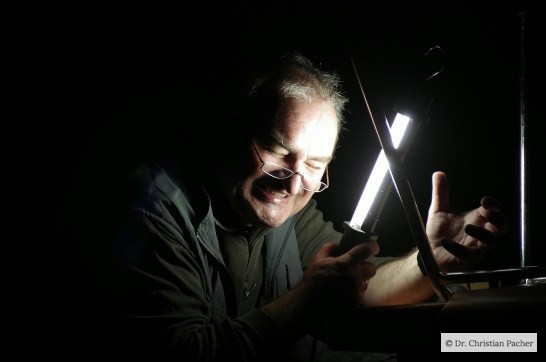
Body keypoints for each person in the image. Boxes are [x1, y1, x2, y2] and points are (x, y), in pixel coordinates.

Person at [66, 51, 507, 361]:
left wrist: (432, 259)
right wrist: (307, 300)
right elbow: (185, 354)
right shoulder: (151, 214)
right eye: (278, 152)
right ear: (232, 134)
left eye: (316, 164)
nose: (294, 181)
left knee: (509, 343)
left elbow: (354, 284)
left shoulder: (291, 212)